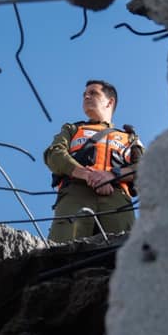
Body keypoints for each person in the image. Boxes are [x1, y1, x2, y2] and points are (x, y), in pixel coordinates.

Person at [43, 79, 143, 242]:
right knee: (64, 249)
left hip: (117, 200)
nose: (86, 97)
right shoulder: (72, 129)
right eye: (84, 94)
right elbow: (54, 154)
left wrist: (111, 175)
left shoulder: (129, 138)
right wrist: (88, 175)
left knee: (122, 250)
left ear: (110, 102)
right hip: (75, 194)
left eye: (93, 93)